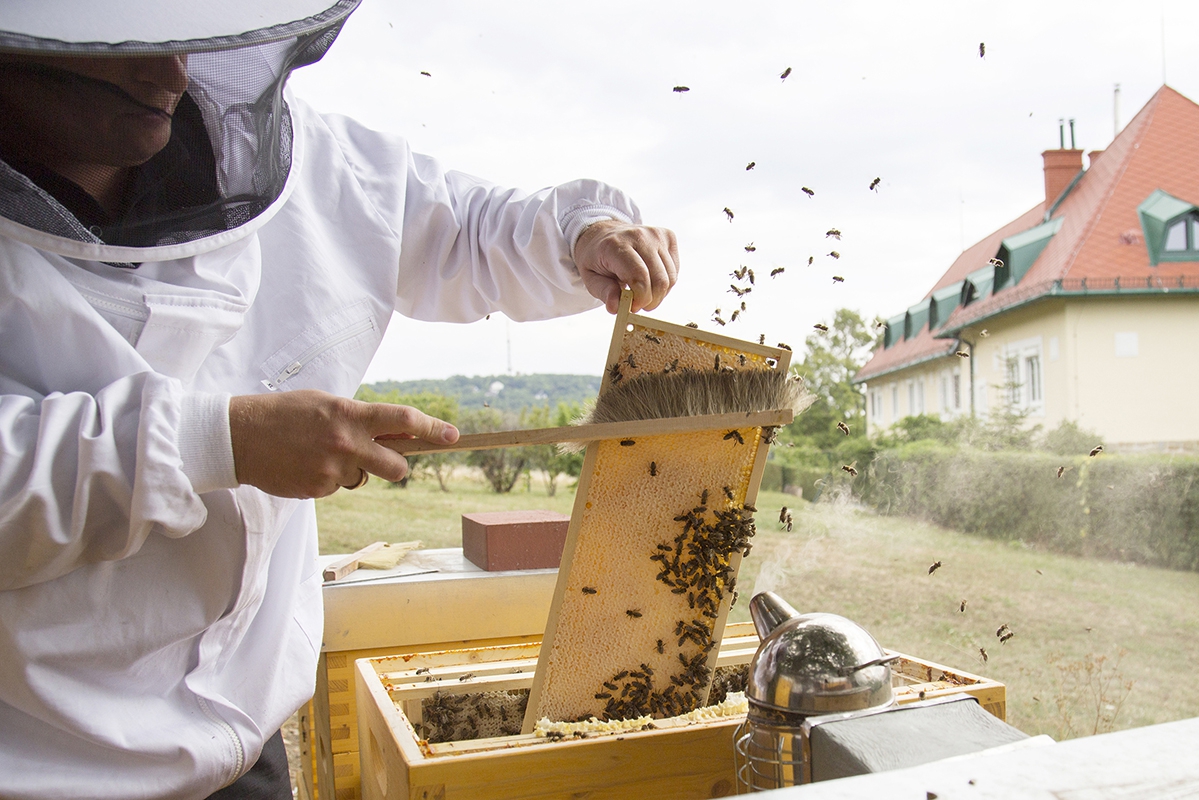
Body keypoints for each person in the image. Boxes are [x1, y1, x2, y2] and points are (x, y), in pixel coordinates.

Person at [0, 2, 679, 798]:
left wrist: (579, 232)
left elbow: (466, 226)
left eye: (186, 38)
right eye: (127, 48)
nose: (173, 72)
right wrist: (217, 444)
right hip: (40, 762)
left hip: (242, 741)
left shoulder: (298, 159)